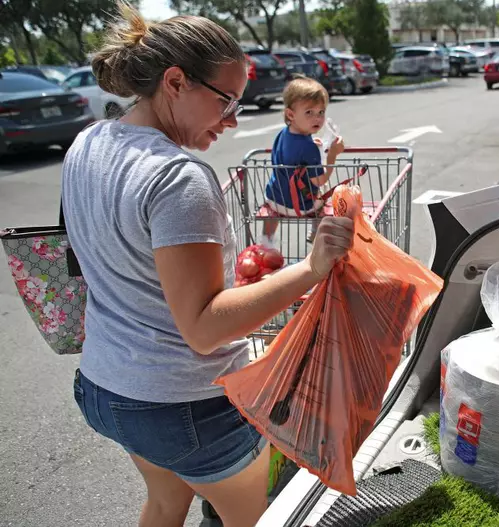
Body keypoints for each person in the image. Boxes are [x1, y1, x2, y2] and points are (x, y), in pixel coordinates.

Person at [61, 3, 354, 527]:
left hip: (107, 387)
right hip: (186, 406)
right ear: (175, 82)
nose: (234, 119)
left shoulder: (88, 142)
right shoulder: (179, 177)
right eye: (226, 101)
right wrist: (311, 268)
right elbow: (203, 329)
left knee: (165, 503)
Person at [262, 75, 345, 242]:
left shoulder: (284, 133)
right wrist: (332, 155)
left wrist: (312, 144)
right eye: (309, 112)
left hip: (273, 198)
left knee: (279, 197)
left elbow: (292, 156)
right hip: (298, 206)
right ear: (290, 114)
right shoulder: (308, 148)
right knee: (322, 196)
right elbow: (320, 180)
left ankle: (265, 241)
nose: (317, 118)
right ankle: (315, 232)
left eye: (321, 112)